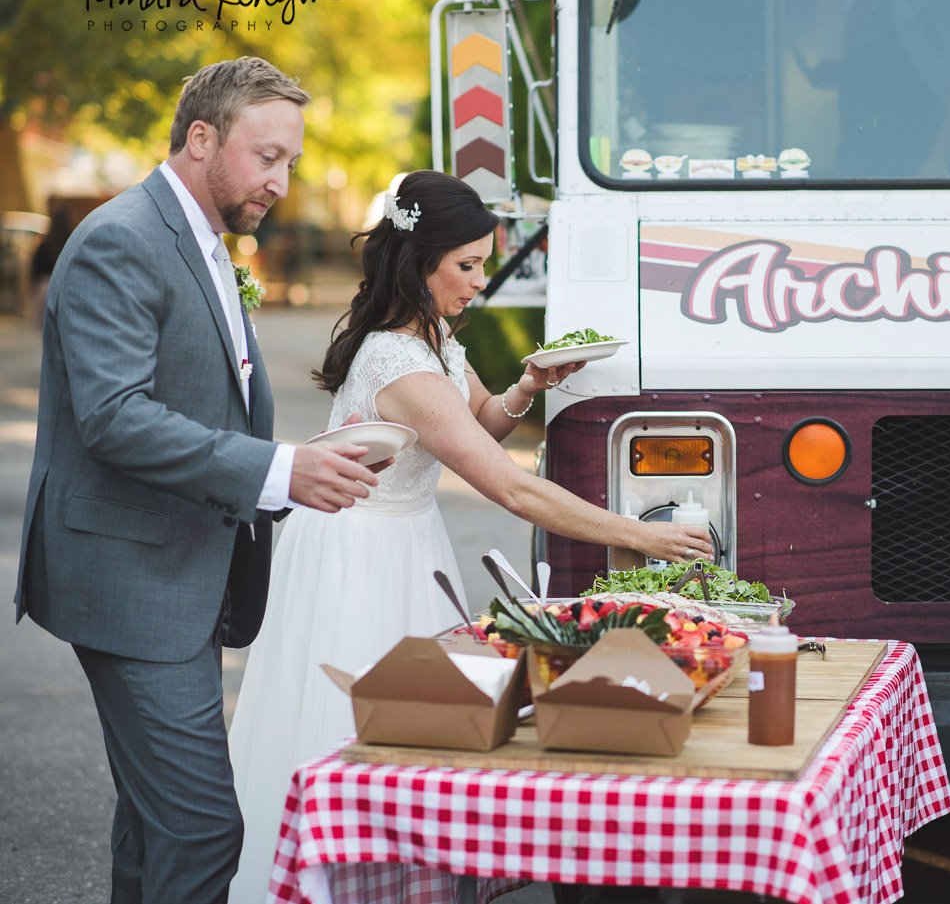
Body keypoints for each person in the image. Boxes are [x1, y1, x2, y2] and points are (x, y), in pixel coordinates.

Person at [226, 169, 713, 903]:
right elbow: (507, 484)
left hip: (406, 542)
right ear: (418, 262)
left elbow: (479, 420)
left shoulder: (435, 338)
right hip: (358, 560)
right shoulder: (396, 358)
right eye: (468, 265)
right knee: (364, 740)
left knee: (417, 737)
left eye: (484, 263)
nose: (479, 282)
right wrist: (638, 536)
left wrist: (527, 385)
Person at [13, 56, 384, 904]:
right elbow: (114, 416)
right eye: (268, 157)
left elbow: (204, 393)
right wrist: (280, 468)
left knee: (153, 825)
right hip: (130, 581)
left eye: (289, 161)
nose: (281, 182)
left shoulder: (205, 237)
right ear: (201, 137)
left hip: (180, 571)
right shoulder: (120, 239)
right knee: (203, 826)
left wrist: (299, 459)